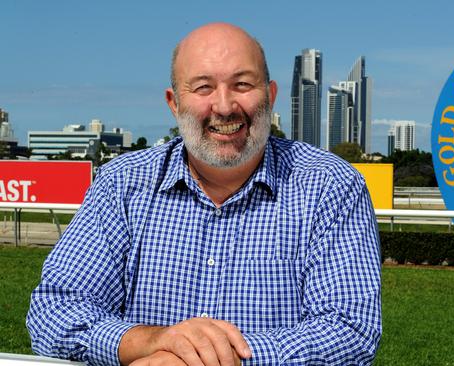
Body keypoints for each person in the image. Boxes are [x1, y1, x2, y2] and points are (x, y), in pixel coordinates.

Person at [26, 23, 382, 366]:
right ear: (174, 102)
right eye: (203, 88)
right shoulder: (121, 184)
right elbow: (55, 310)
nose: (225, 106)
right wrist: (150, 341)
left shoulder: (331, 186)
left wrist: (208, 358)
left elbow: (349, 331)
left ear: (270, 96)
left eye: (242, 84)